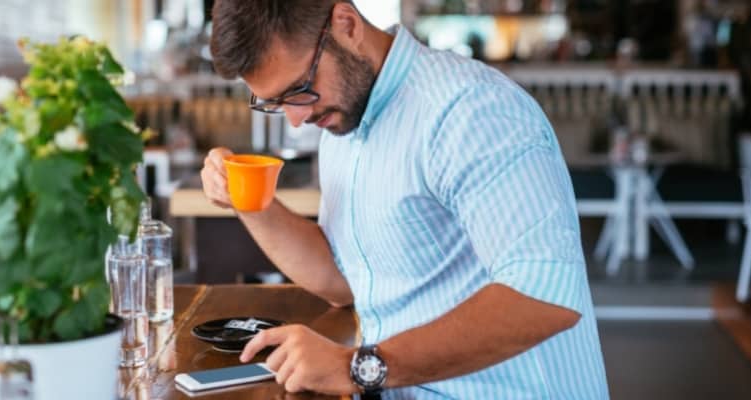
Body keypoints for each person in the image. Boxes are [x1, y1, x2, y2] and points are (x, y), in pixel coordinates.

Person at [201, 1, 609, 398]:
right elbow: (342, 283)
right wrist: (246, 198)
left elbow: (544, 296)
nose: (296, 118)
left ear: (346, 24)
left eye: (300, 89)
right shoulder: (342, 126)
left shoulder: (470, 110)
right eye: (275, 103)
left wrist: (357, 367)